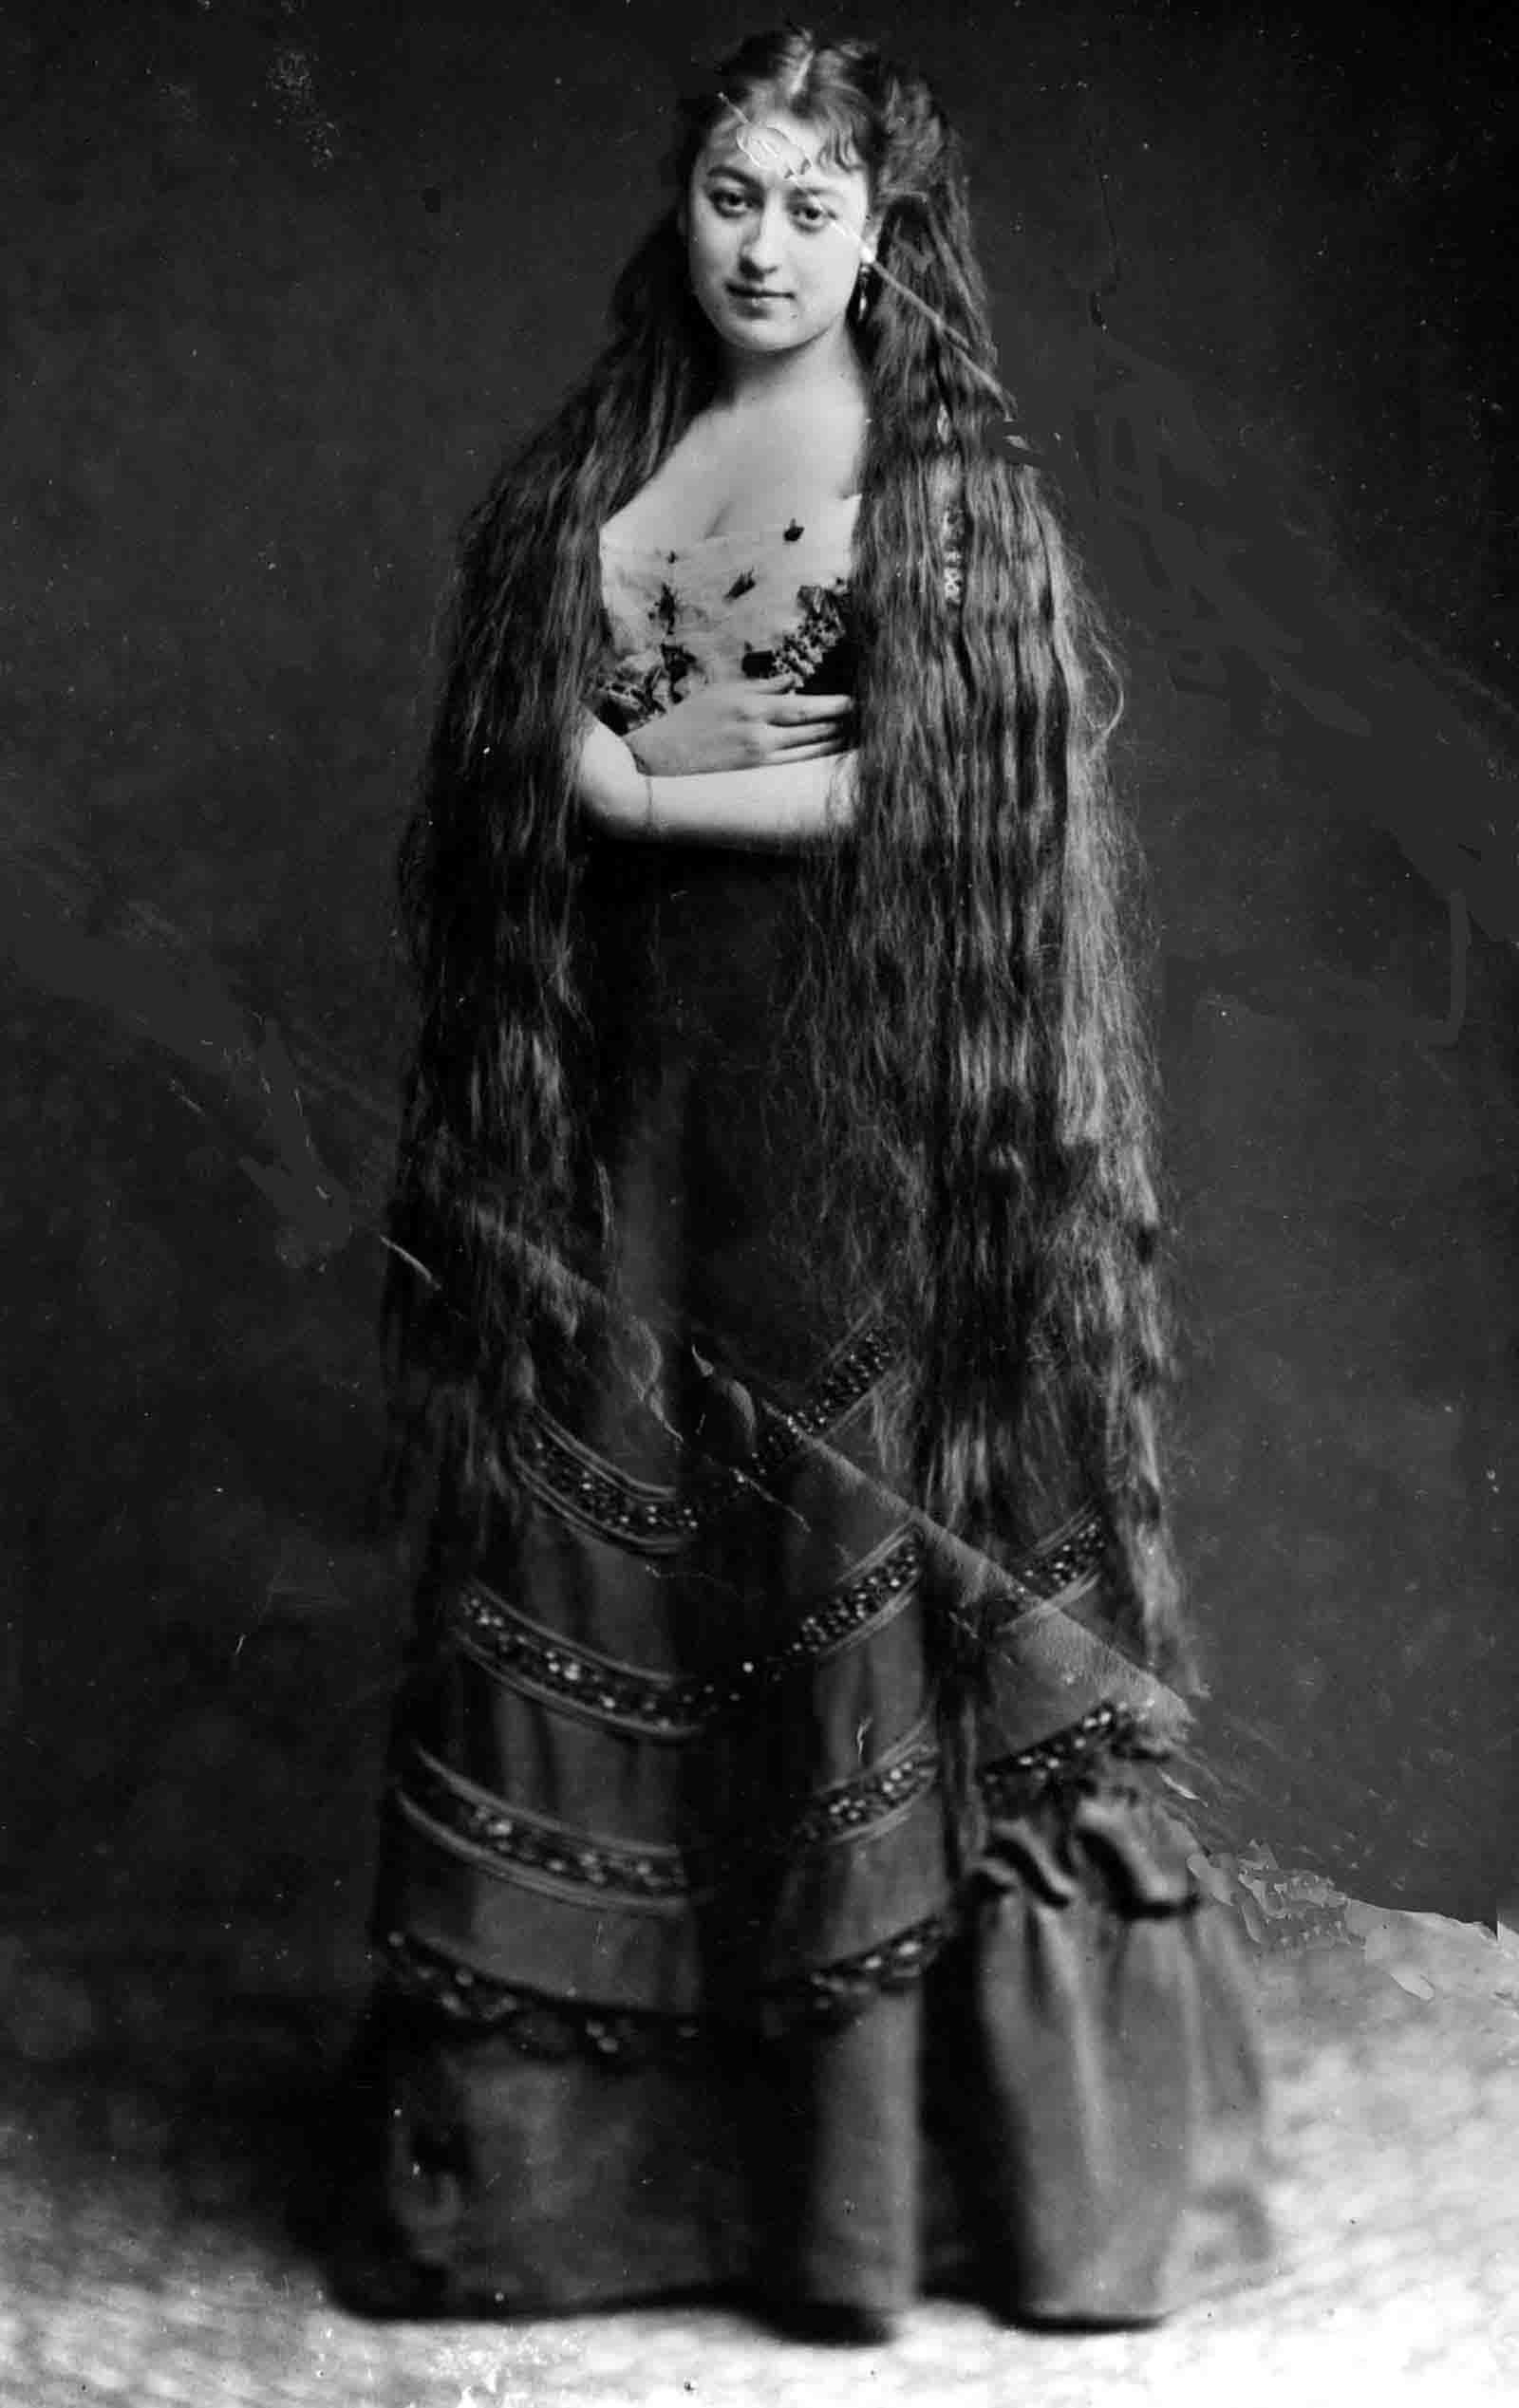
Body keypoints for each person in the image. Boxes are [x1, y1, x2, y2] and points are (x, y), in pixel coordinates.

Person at [324, 27, 1273, 2343]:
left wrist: (646, 794)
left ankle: (895, 2204)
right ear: (686, 206)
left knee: (857, 1552)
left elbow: (952, 793)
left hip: (852, 1105)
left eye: (810, 207)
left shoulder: (944, 484)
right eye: (731, 196)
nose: (761, 246)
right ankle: (609, 2204)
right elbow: (528, 768)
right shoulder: (610, 455)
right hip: (634, 1099)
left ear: (881, 234)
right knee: (618, 1541)